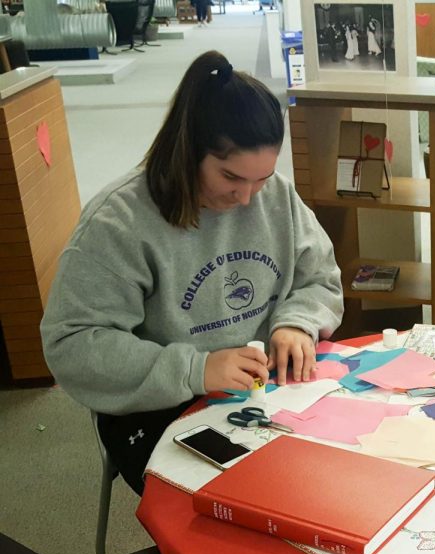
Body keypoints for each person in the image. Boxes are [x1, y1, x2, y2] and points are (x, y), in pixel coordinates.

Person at [40, 51, 344, 494]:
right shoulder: (118, 223)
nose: (246, 199)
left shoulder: (272, 195)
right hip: (162, 403)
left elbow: (319, 276)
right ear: (188, 151)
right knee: (250, 503)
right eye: (230, 177)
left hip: (267, 387)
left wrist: (298, 322)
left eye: (261, 179)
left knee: (329, 480)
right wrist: (196, 369)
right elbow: (71, 346)